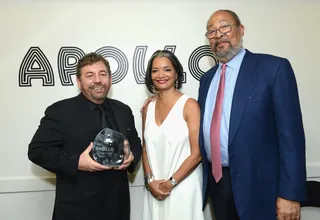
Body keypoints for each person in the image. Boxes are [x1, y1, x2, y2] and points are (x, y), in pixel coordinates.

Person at [198, 9, 306, 220]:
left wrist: (290, 195)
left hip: (261, 189)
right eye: (211, 31)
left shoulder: (273, 69)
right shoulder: (206, 80)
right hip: (218, 186)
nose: (218, 35)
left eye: (224, 27)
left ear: (241, 30)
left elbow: (291, 137)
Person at [28, 52, 142, 220]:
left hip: (117, 207)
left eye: (102, 74)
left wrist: (131, 157)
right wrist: (78, 163)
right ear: (79, 81)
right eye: (90, 75)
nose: (97, 80)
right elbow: (37, 151)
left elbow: (135, 142)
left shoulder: (123, 110)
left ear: (110, 79)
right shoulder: (60, 111)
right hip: (77, 210)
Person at [141, 50, 204, 220]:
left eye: (167, 69)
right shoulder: (148, 107)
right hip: (155, 189)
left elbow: (197, 154)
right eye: (155, 70)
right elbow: (145, 147)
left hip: (182, 186)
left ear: (177, 73)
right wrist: (150, 181)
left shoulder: (189, 105)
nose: (160, 75)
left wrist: (171, 183)